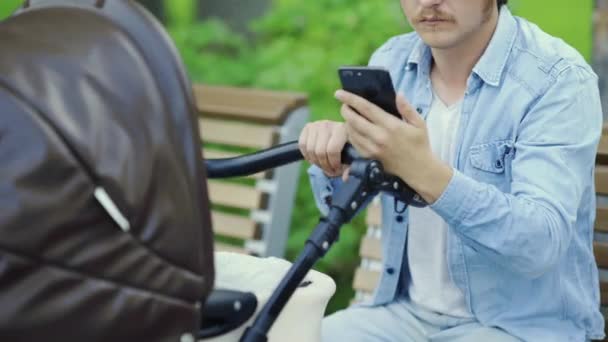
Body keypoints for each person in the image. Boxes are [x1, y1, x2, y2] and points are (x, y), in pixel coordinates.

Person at [298, 0, 605, 341]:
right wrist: (335, 159)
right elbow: (341, 202)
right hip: (405, 315)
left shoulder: (557, 80)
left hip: (522, 326)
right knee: (292, 334)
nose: (428, 2)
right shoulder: (393, 63)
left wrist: (424, 172)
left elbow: (539, 243)